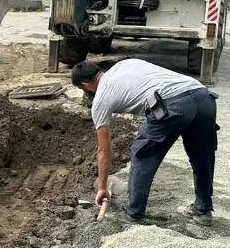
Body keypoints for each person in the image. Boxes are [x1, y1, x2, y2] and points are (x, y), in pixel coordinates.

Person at [71, 58, 218, 226]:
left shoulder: (100, 99)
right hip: (203, 96)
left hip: (173, 103)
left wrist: (102, 187)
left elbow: (104, 151)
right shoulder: (123, 65)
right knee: (201, 155)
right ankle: (203, 211)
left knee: (142, 154)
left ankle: (133, 215)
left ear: (85, 85)